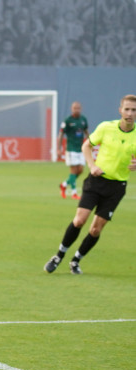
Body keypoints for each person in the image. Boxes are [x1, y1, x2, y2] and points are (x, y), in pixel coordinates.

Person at [44, 94, 136, 275]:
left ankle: (76, 260)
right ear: (120, 110)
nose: (130, 113)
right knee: (79, 220)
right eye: (127, 109)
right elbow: (87, 145)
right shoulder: (106, 127)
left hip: (117, 187)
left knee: (95, 229)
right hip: (96, 181)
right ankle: (58, 256)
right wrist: (92, 165)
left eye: (133, 110)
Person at [57, 101, 89, 199]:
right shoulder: (67, 120)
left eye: (78, 108)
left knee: (80, 170)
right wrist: (59, 148)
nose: (77, 110)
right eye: (75, 108)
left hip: (80, 148)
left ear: (81, 109)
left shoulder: (83, 120)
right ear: (72, 109)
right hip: (71, 149)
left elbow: (86, 132)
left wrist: (91, 143)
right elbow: (61, 134)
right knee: (74, 170)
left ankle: (64, 184)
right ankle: (74, 193)